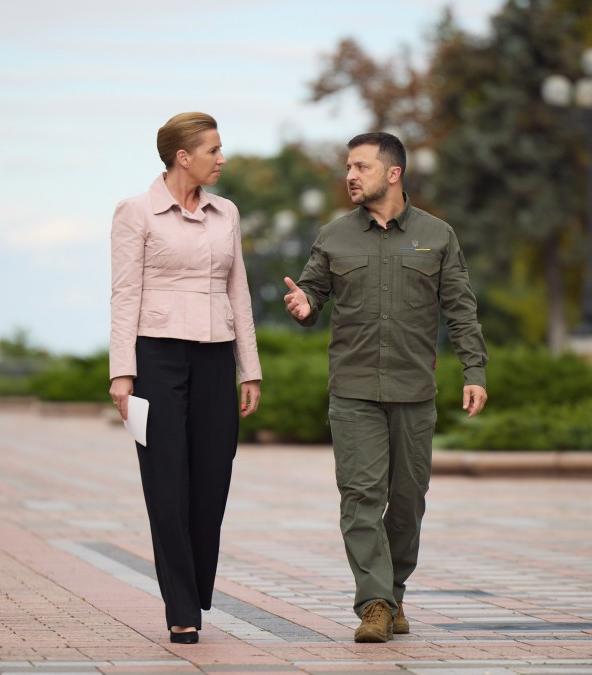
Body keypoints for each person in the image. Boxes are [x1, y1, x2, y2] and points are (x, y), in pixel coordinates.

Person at [283, 132, 488, 643]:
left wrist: (474, 372)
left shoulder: (437, 236)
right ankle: (373, 603)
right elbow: (311, 289)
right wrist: (305, 305)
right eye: (348, 166)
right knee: (359, 497)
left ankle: (393, 591)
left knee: (407, 501)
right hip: (352, 392)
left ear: (392, 173)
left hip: (413, 392)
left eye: (361, 167)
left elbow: (460, 309)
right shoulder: (333, 237)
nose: (350, 175)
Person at [109, 112, 262, 644]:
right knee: (167, 480)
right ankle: (181, 607)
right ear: (183, 157)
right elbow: (124, 293)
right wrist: (122, 374)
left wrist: (251, 368)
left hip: (218, 359)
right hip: (156, 361)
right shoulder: (136, 212)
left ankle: (194, 587)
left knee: (213, 477)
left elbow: (237, 290)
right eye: (214, 150)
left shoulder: (228, 214)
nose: (222, 159)